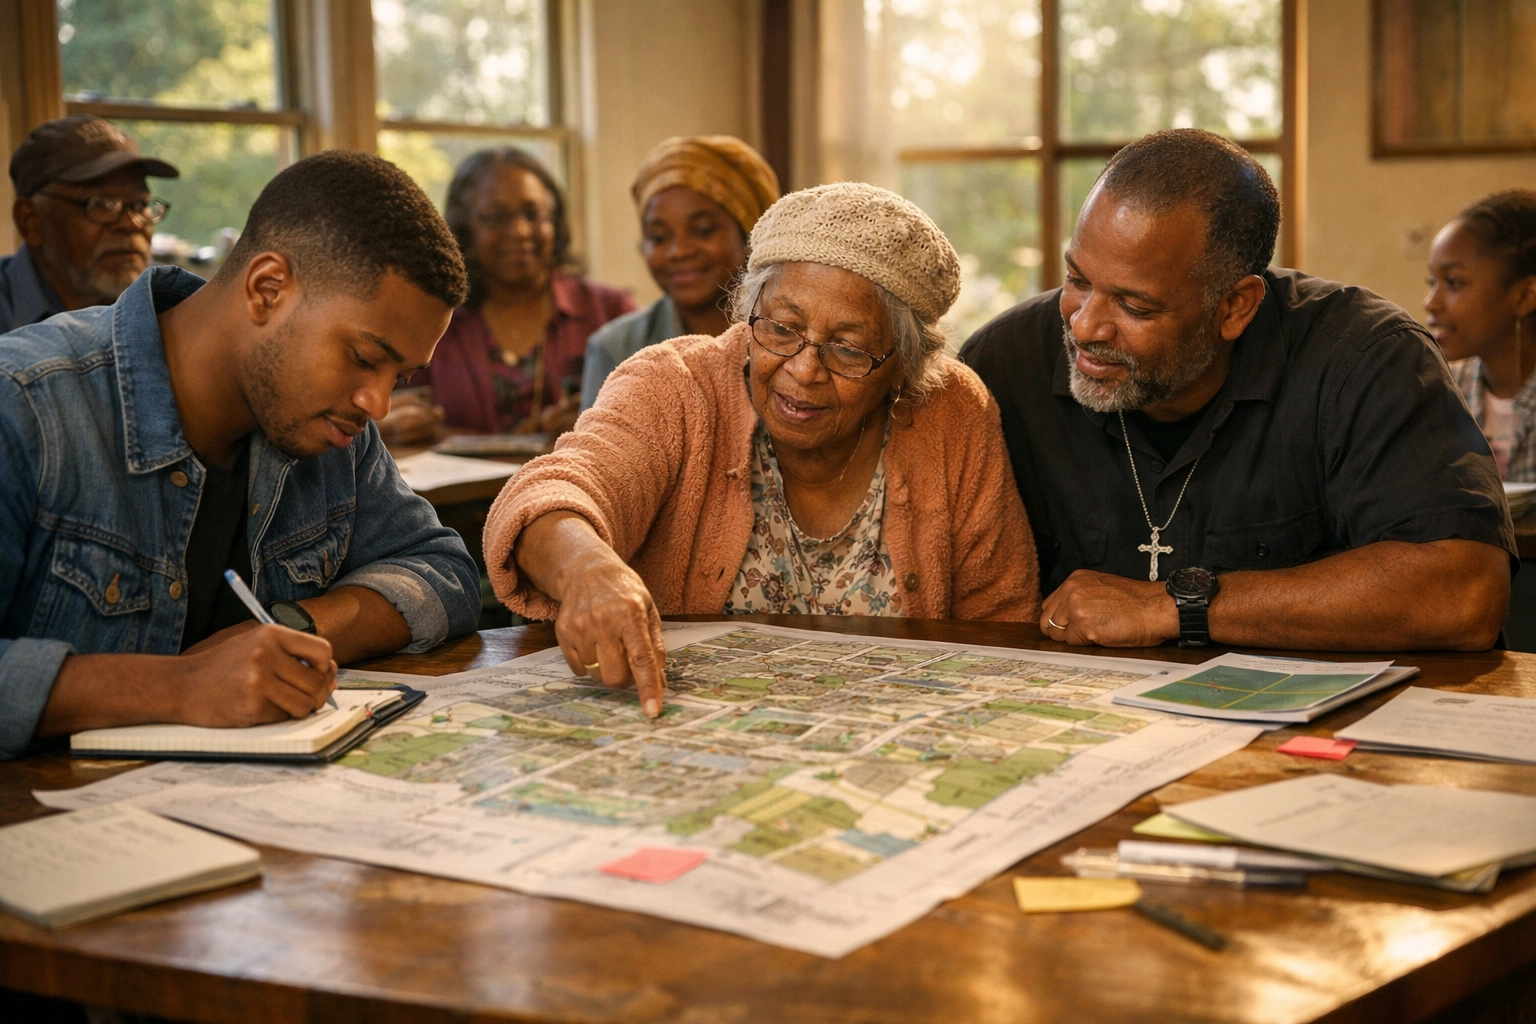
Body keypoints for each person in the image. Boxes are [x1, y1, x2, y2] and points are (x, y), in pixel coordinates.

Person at [484, 182, 1040, 718]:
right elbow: (549, 491)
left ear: (903, 365)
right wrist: (587, 569)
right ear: (749, 313)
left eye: (847, 349)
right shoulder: (676, 386)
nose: (803, 369)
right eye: (781, 327)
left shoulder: (953, 412)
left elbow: (1000, 621)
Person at [0, 149, 481, 759]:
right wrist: (176, 686)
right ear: (266, 288)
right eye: (364, 357)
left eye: (401, 375)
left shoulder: (331, 426)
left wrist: (292, 629)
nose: (378, 403)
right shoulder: (24, 404)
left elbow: (442, 571)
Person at [960, 128, 1513, 653]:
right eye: (1077, 280)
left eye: (1135, 306)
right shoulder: (1005, 363)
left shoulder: (1365, 358)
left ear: (1235, 307)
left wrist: (1174, 605)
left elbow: (1465, 592)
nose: (1084, 327)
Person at [384, 149, 635, 443]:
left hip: (580, 485)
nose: (519, 230)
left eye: (532, 214)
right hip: (456, 489)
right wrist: (393, 426)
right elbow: (386, 409)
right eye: (496, 217)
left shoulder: (612, 311)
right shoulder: (432, 319)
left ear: (554, 220)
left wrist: (596, 424)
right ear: (464, 228)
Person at [580, 135, 779, 408]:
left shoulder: (787, 338)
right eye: (659, 237)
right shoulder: (616, 348)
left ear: (749, 234)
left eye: (703, 230)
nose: (678, 251)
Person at [1, 114, 178, 334]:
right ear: (30, 221)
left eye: (140, 204)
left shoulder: (173, 304)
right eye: (102, 204)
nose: (131, 224)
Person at [1425, 189, 1536, 481]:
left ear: (1525, 295)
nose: (1430, 303)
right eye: (1432, 282)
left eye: (1453, 282)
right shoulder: (1439, 391)